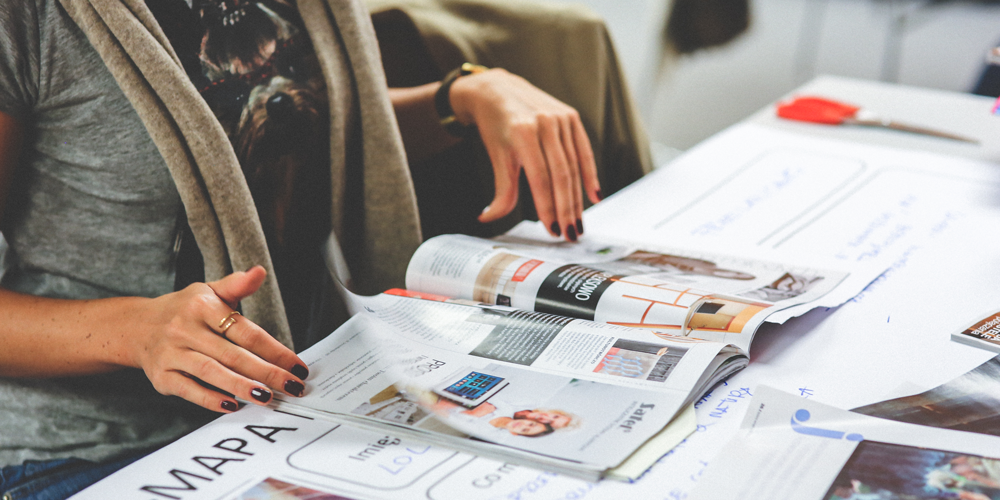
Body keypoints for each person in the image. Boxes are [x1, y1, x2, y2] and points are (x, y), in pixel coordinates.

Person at [0, 0, 647, 498]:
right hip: (98, 452)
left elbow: (302, 129)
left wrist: (462, 98)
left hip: (307, 398)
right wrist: (136, 330)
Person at [488, 416, 555, 438]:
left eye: (524, 430)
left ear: (514, 433)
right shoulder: (507, 406)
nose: (522, 425)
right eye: (531, 424)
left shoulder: (488, 434)